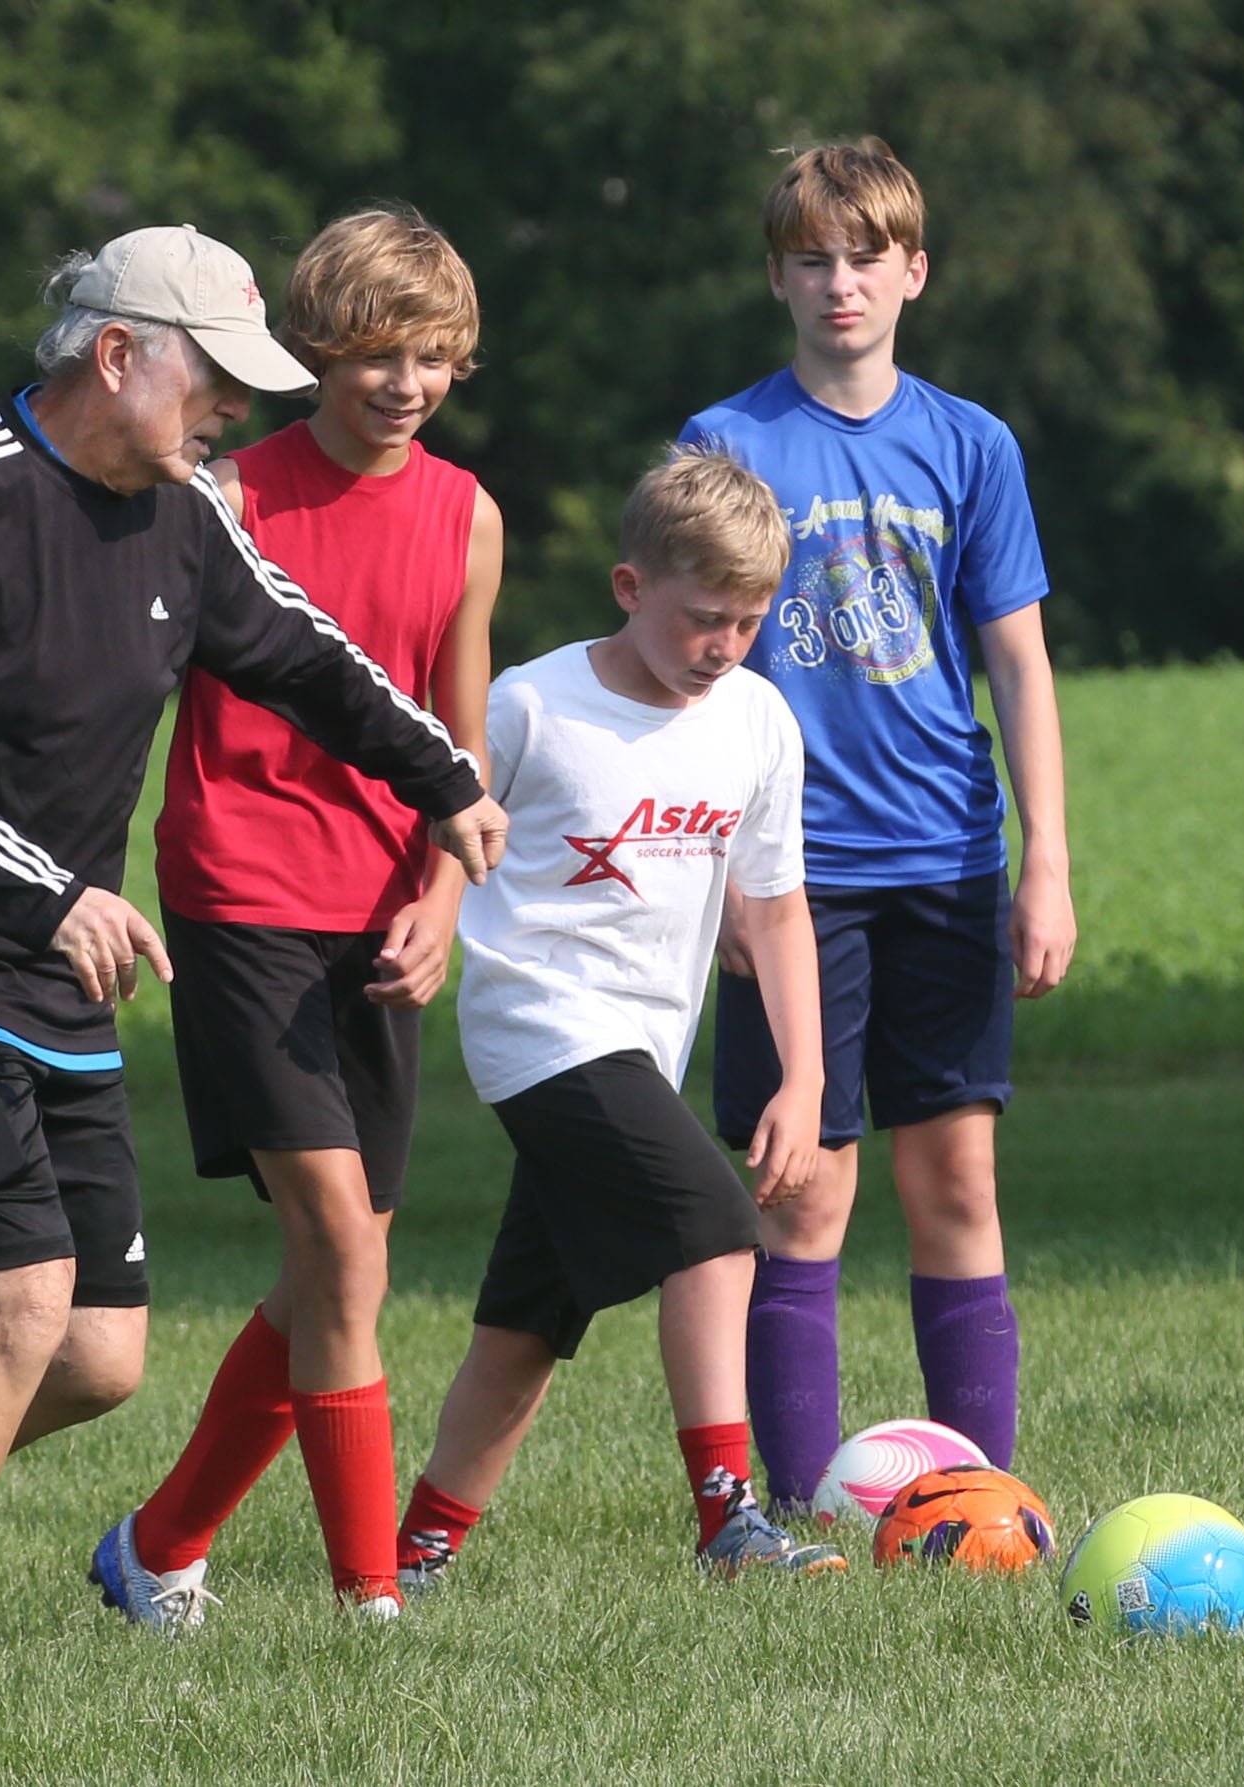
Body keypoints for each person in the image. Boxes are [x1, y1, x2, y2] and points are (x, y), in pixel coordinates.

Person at [0, 223, 508, 1684]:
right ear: (116, 354)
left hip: (57, 965)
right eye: (213, 385)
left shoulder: (184, 512)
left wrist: (444, 775)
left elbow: (306, 653)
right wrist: (41, 887)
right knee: (4, 1306)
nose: (232, 417)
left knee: (92, 1353)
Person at [96, 203, 500, 1623]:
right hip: (241, 889)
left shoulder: (467, 515)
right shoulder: (223, 495)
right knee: (334, 1238)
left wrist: (443, 896)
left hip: (383, 914)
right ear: (316, 353)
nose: (404, 383)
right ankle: (365, 1598)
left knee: (348, 1265)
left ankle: (154, 1543)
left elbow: (457, 737)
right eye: (379, 353)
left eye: (434, 357)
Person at [678, 138, 1076, 1511]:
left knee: (955, 1184)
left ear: (912, 271)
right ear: (774, 276)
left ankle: (981, 1501)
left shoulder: (971, 444)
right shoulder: (724, 445)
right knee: (798, 1194)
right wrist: (720, 876)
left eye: (863, 256)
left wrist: (1046, 867)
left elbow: (1016, 664)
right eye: (810, 258)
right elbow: (694, 674)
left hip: (949, 864)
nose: (837, 281)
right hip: (786, 882)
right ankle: (789, 1513)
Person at [390, 445, 845, 1588]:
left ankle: (424, 1546)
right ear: (630, 587)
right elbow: (443, 836)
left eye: (749, 621)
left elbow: (778, 909)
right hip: (537, 1027)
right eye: (703, 618)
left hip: (644, 1044)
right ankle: (729, 1517)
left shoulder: (757, 721)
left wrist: (806, 1081)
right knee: (714, 1224)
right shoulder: (532, 704)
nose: (725, 646)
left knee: (530, 1317)